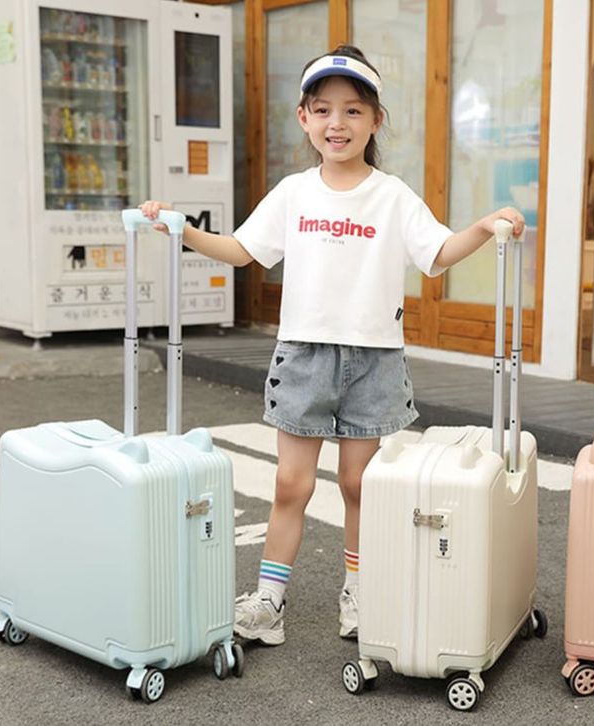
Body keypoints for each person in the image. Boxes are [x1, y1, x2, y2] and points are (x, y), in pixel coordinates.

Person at [139, 44, 524, 646]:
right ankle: (269, 602)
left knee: (358, 485)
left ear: (375, 120)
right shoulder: (294, 193)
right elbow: (242, 250)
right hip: (305, 357)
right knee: (290, 484)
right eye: (322, 110)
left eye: (352, 111)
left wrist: (479, 227)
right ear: (303, 118)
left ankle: (360, 594)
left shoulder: (393, 195)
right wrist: (182, 229)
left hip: (374, 360)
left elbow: (437, 254)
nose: (336, 123)